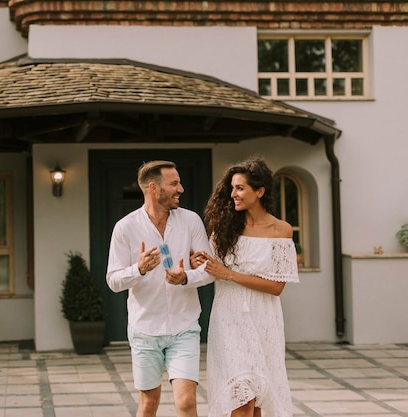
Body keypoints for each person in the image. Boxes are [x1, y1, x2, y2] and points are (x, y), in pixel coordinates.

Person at [192, 156, 299, 417]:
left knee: (259, 399)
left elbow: (276, 287)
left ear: (260, 191)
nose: (233, 194)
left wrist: (228, 274)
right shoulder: (223, 228)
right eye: (232, 188)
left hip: (264, 319)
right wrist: (200, 262)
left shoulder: (281, 230)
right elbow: (211, 270)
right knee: (241, 398)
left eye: (240, 188)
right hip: (229, 318)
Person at [106, 160, 214, 417]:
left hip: (184, 326)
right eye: (174, 183)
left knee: (187, 402)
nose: (181, 189)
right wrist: (139, 269)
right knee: (149, 404)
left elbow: (208, 270)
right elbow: (113, 280)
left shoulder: (191, 221)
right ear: (154, 188)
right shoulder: (125, 227)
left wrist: (185, 277)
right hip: (145, 330)